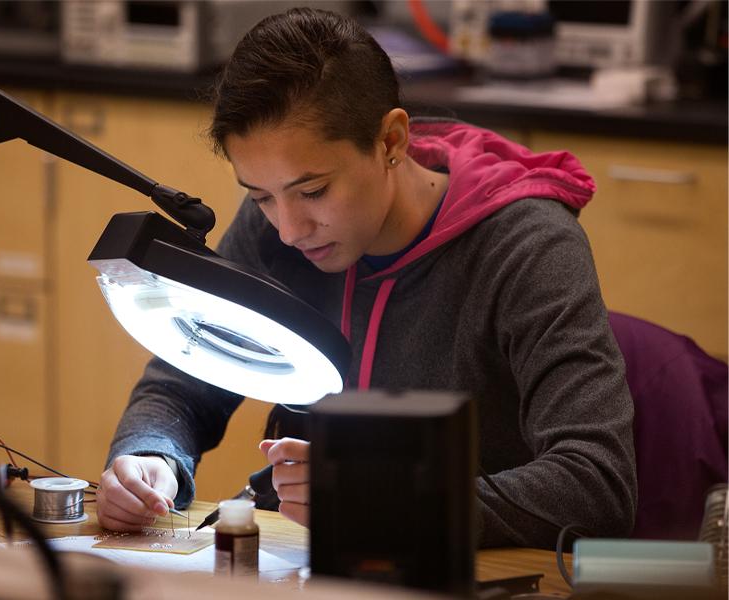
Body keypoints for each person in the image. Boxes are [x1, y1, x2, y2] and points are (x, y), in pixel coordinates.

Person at [96, 7, 637, 549]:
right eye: (261, 196)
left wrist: (392, 499)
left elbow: (596, 485)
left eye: (313, 192)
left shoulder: (527, 248)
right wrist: (150, 457)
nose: (287, 230)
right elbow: (182, 386)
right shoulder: (275, 231)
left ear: (390, 142)